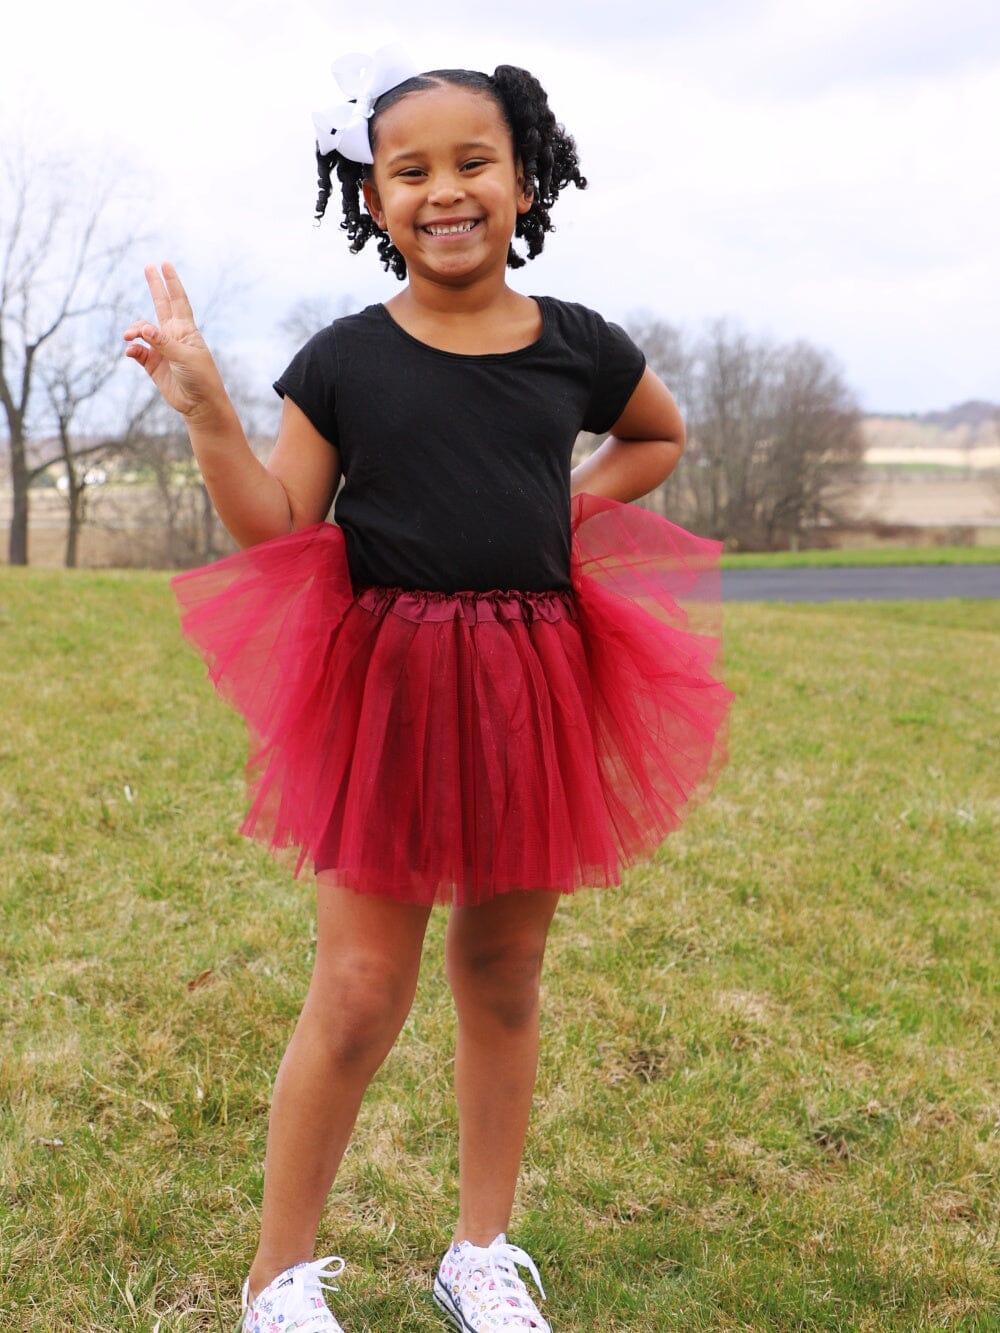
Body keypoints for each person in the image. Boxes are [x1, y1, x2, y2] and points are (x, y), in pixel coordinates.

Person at [124, 46, 732, 1333]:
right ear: (369, 197)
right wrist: (207, 413)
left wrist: (574, 508)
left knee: (505, 971)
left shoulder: (575, 343)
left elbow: (659, 433)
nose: (444, 190)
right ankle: (276, 1280)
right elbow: (277, 525)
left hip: (533, 680)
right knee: (357, 991)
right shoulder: (346, 357)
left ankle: (480, 1251)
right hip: (388, 686)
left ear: (525, 180)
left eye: (474, 163)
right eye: (411, 171)